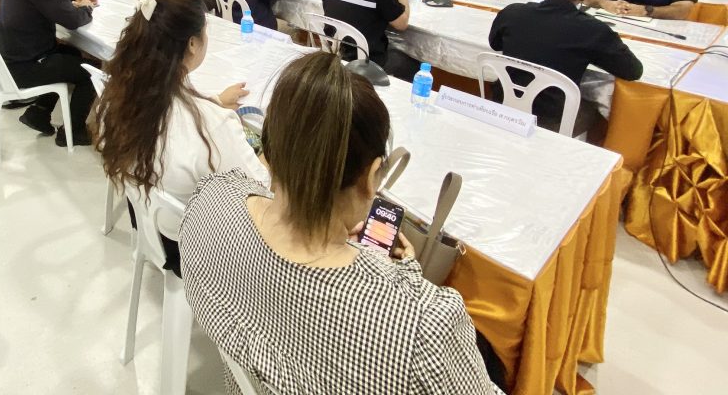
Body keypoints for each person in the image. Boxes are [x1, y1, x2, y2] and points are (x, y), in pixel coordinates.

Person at [179, 51, 501, 395]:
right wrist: (406, 274)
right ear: (372, 177)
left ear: (268, 149)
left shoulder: (209, 203)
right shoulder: (422, 327)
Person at [94, 0, 268, 211]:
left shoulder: (116, 97)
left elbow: (173, 116)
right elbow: (261, 189)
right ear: (192, 43)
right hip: (198, 229)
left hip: (150, 218)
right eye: (205, 31)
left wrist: (215, 101)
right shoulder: (214, 125)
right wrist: (273, 153)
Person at [490, 0, 643, 132]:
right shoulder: (593, 30)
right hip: (554, 117)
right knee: (593, 110)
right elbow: (632, 71)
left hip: (502, 102)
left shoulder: (512, 12)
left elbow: (495, 44)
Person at [0, 0, 98, 144]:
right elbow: (71, 20)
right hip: (24, 66)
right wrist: (86, 8)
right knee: (92, 72)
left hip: (10, 55)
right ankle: (72, 133)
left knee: (70, 52)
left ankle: (39, 113)